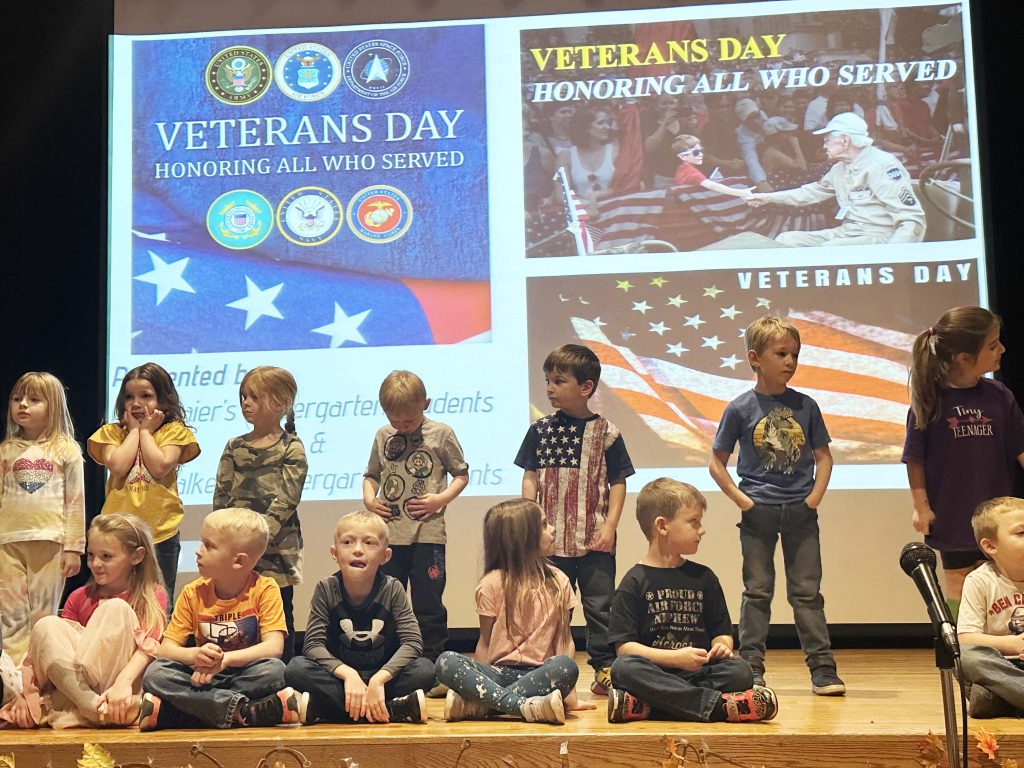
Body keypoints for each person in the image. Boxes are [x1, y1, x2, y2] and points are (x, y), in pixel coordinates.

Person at [709, 316, 845, 696]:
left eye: (794, 354)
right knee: (757, 591)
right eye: (781, 353)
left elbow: (824, 457)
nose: (790, 361)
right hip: (759, 513)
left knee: (806, 593)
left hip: (801, 512)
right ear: (755, 358)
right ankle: (751, 667)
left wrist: (813, 499)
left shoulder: (806, 405)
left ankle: (823, 668)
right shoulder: (740, 408)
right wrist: (744, 501)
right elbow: (715, 460)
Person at [606, 478, 778, 723]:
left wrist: (722, 646)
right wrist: (674, 659)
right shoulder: (633, 582)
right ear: (662, 526)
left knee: (741, 672)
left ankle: (647, 707)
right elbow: (625, 648)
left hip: (697, 674)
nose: (701, 529)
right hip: (656, 672)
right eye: (693, 522)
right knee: (623, 669)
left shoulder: (704, 578)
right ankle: (718, 707)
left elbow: (721, 632)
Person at [515, 344, 635, 696]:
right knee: (552, 606)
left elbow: (618, 483)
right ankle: (548, 667)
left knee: (600, 607)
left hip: (595, 539)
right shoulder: (540, 430)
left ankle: (604, 668)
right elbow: (530, 476)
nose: (550, 388)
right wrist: (531, 519)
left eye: (558, 381)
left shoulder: (607, 433)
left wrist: (610, 526)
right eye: (547, 381)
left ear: (586, 387)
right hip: (550, 542)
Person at [903, 307, 1024, 617]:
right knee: (958, 582)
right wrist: (922, 507)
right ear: (964, 357)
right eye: (993, 345)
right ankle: (961, 652)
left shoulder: (999, 395)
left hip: (997, 514)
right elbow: (914, 460)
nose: (1002, 350)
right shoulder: (929, 401)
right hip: (953, 513)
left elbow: (1020, 447)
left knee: (1004, 581)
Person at [139, 508, 305, 730]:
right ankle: (244, 711)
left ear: (238, 561)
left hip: (243, 674)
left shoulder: (265, 588)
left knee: (275, 670)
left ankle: (179, 714)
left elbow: (274, 647)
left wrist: (225, 660)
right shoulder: (193, 592)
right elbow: (166, 650)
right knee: (155, 674)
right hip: (201, 676)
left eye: (209, 546)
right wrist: (195, 655)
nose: (198, 552)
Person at [434, 499, 592, 724]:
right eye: (545, 525)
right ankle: (524, 706)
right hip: (498, 674)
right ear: (523, 539)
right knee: (445, 661)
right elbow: (485, 641)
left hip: (540, 674)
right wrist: (481, 678)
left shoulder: (559, 581)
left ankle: (483, 706)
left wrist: (571, 697)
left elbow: (564, 641)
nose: (553, 529)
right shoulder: (491, 583)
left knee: (565, 667)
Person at [2, 514, 167, 728]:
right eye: (91, 555)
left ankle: (98, 709)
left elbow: (148, 652)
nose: (95, 564)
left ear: (136, 556)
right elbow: (52, 651)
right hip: (76, 693)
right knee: (46, 625)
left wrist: (123, 684)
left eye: (106, 556)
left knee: (115, 609)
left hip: (118, 691)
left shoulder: (152, 595)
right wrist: (28, 693)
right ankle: (91, 707)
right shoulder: (79, 596)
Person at [362, 371, 468, 677]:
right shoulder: (383, 435)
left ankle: (434, 662)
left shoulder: (442, 433)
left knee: (428, 601)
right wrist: (370, 500)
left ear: (426, 404)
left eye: (408, 421)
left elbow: (461, 474)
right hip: (390, 535)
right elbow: (371, 475)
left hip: (428, 534)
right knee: (387, 599)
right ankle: (389, 660)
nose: (402, 427)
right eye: (395, 420)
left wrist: (439, 499)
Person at [285, 511, 433, 725]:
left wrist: (379, 678)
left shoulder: (392, 589)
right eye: (347, 542)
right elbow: (312, 645)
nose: (357, 550)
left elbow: (413, 642)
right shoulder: (326, 589)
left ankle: (332, 711)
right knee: (296, 669)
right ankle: (390, 709)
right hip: (341, 679)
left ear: (386, 556)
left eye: (369, 543)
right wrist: (348, 675)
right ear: (334, 554)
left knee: (425, 670)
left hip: (382, 678)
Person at [214, 366, 307, 663]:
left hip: (276, 548)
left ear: (280, 403)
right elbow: (222, 498)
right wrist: (227, 539)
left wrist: (256, 539)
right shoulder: (234, 446)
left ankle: (283, 675)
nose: (245, 403)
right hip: (236, 547)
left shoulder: (291, 447)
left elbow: (287, 499)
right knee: (239, 608)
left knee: (278, 611)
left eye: (254, 396)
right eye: (243, 396)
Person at [88, 363, 199, 600]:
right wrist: (135, 431)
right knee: (119, 598)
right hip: (118, 534)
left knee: (159, 599)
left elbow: (160, 466)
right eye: (129, 397)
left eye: (146, 396)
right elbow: (118, 465)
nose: (136, 403)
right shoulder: (111, 433)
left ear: (164, 399)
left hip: (161, 531)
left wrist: (146, 432)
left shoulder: (173, 432)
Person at [0, 372, 85, 666]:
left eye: (34, 400)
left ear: (53, 406)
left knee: (43, 617)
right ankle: (14, 687)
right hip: (8, 542)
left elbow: (75, 501)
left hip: (51, 542)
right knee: (11, 617)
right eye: (17, 398)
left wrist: (74, 547)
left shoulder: (66, 450)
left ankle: (40, 679)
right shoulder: (6, 450)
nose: (23, 405)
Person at [747, 112, 926, 246]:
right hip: (848, 231)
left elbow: (911, 219)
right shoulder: (839, 168)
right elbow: (811, 192)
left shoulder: (881, 165)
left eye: (827, 140)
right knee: (786, 240)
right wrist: (768, 198)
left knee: (829, 249)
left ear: (845, 140)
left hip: (880, 236)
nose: (824, 146)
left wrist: (895, 258)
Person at [958, 497, 1024, 717]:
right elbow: (966, 638)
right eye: (1021, 533)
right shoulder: (980, 581)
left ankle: (1007, 700)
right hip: (1000, 667)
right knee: (966, 656)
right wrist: (1011, 644)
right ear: (990, 545)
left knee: (984, 700)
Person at [671, 134, 753, 199]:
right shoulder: (691, 172)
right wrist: (741, 192)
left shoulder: (682, 168)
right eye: (696, 152)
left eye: (701, 151)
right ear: (683, 156)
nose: (701, 154)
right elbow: (713, 186)